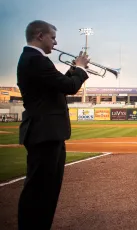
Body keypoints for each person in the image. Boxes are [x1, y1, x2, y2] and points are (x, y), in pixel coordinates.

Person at [17, 20, 90, 230]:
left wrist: (74, 69)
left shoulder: (35, 60)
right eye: (53, 37)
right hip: (44, 132)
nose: (56, 43)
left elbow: (57, 86)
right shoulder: (36, 59)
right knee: (40, 192)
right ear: (40, 36)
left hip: (47, 132)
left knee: (45, 191)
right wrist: (79, 69)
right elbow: (69, 87)